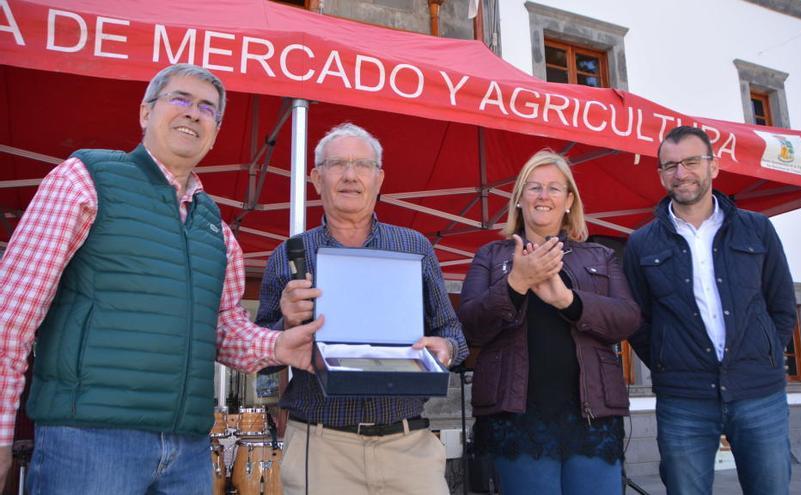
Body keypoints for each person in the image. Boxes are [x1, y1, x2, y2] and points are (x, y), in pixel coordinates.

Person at [0, 64, 322, 494]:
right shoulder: (85, 180)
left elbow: (224, 329)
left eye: (207, 109)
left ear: (216, 129)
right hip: (89, 442)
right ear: (144, 113)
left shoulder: (219, 232)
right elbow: (12, 316)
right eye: (180, 100)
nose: (194, 114)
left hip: (188, 450)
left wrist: (279, 344)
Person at [255, 122, 468, 495]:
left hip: (408, 447)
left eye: (362, 165)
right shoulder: (290, 256)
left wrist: (446, 349)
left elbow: (453, 332)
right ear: (316, 178)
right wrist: (284, 324)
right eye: (337, 164)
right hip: (320, 449)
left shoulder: (414, 247)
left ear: (379, 178)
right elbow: (262, 365)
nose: (350, 176)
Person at [623, 126, 797, 495]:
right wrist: (669, 360)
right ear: (660, 174)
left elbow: (782, 305)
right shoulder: (640, 244)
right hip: (683, 399)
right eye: (670, 165)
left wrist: (763, 355)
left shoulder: (757, 229)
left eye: (690, 162)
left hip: (759, 394)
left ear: (713, 166)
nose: (681, 173)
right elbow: (637, 320)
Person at [457, 150, 640, 495]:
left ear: (569, 201)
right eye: (534, 187)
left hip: (591, 419)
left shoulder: (600, 256)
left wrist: (567, 301)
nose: (544, 195)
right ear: (519, 200)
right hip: (519, 420)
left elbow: (627, 319)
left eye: (555, 188)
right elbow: (469, 327)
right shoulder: (490, 257)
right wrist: (517, 283)